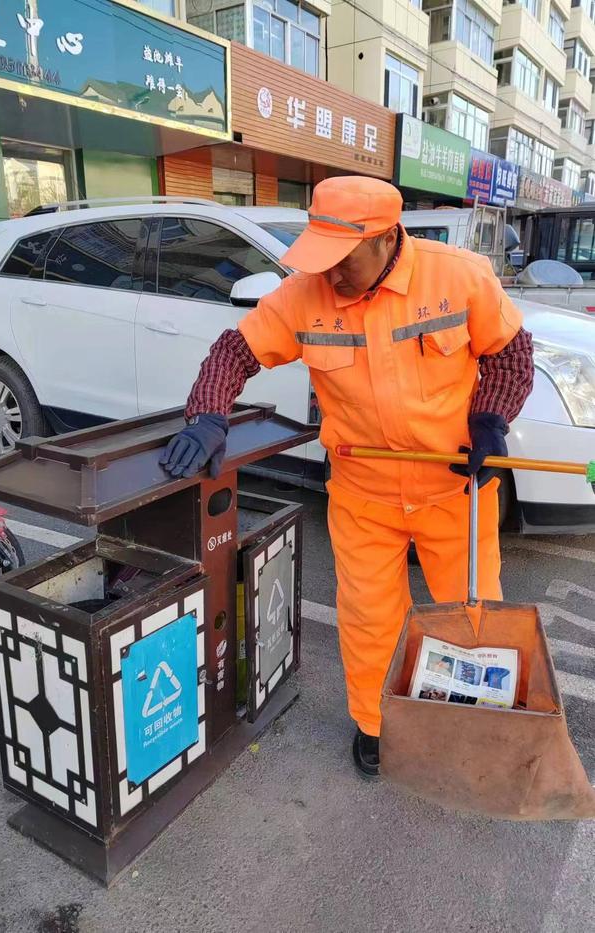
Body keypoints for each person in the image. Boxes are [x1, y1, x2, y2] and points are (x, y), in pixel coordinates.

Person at [160, 176, 534, 778]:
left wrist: (491, 419)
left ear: (387, 238)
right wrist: (208, 415)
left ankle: (470, 722)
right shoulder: (305, 296)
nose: (330, 274)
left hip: (452, 489)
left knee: (470, 613)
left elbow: (511, 352)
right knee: (368, 618)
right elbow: (235, 351)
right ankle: (378, 725)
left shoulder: (458, 277)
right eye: (322, 256)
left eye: (343, 258)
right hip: (364, 493)